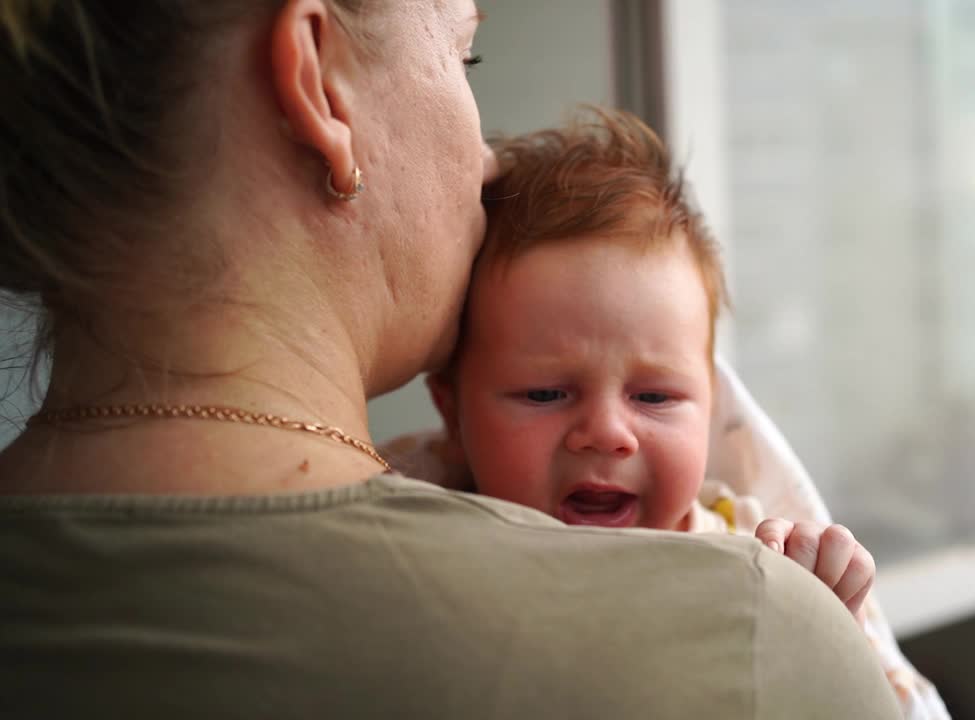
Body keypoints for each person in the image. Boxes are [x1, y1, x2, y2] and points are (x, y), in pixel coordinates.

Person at [0, 2, 902, 718]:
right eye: (465, 55)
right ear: (319, 79)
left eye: (659, 392)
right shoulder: (752, 649)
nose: (485, 161)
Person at [423, 108, 876, 620]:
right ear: (452, 413)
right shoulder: (426, 547)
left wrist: (822, 609)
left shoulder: (750, 559)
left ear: (711, 407)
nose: (607, 433)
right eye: (546, 394)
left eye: (654, 397)